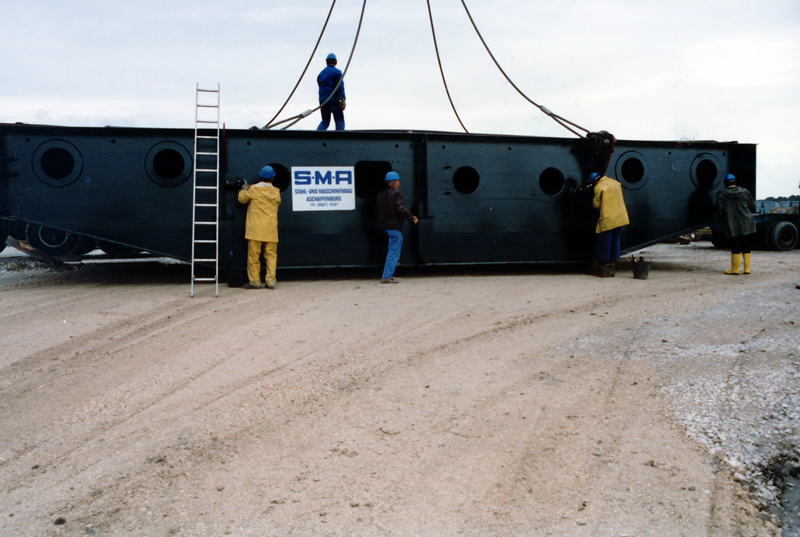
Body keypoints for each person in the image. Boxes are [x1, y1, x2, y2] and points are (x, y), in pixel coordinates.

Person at [238, 166, 282, 289]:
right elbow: (277, 205)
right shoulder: (276, 192)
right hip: (271, 229)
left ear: (260, 177)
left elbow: (242, 199)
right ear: (272, 178)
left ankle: (255, 281)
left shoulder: (253, 189)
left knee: (253, 257)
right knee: (271, 256)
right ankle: (271, 281)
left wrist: (243, 188)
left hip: (255, 229)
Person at [375, 171, 418, 283]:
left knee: (396, 244)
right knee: (393, 250)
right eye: (398, 182)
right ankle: (387, 276)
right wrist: (412, 217)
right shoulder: (396, 193)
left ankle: (394, 265)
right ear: (394, 183)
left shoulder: (380, 194)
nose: (399, 184)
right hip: (394, 226)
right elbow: (400, 209)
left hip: (384, 226)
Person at [714, 173, 756, 275]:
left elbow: (720, 211)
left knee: (735, 245)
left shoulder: (722, 195)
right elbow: (753, 206)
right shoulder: (745, 192)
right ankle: (747, 269)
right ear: (735, 182)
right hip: (746, 222)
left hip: (732, 223)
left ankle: (735, 269)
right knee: (746, 244)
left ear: (725, 184)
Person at [591, 172, 630, 277]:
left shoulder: (599, 187)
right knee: (616, 238)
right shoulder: (616, 183)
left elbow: (596, 205)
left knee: (606, 239)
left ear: (595, 181)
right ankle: (613, 260)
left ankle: (604, 261)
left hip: (609, 218)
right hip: (620, 216)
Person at [316, 53, 346, 131]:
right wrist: (342, 98)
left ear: (326, 62)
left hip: (323, 99)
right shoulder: (337, 72)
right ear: (336, 62)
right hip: (333, 98)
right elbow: (340, 86)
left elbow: (320, 85)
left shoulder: (321, 73)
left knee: (325, 121)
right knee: (339, 120)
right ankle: (339, 140)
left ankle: (316, 138)